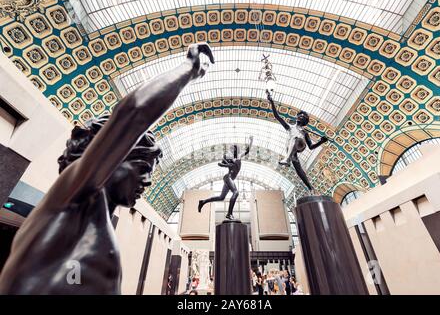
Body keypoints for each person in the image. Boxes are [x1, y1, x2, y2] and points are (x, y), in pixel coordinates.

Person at [0, 43, 215, 295]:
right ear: (114, 158)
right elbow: (133, 116)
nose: (147, 180)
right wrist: (189, 68)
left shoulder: (91, 220)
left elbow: (74, 282)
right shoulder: (74, 200)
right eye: (143, 167)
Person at [266, 90, 328, 194]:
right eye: (300, 115)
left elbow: (311, 147)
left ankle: (287, 159)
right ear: (297, 118)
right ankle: (310, 188)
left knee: (296, 139)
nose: (301, 117)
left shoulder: (305, 132)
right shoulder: (289, 127)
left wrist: (321, 141)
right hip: (291, 149)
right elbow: (277, 116)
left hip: (300, 145)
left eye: (303, 117)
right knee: (300, 171)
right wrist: (271, 102)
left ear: (305, 121)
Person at [198, 137, 253, 220]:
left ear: (236, 150)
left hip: (229, 179)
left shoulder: (238, 156)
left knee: (221, 197)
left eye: (233, 148)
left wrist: (251, 141)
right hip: (228, 178)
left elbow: (247, 151)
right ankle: (229, 214)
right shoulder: (230, 158)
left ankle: (203, 201)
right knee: (236, 192)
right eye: (230, 149)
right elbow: (223, 164)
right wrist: (224, 163)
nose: (231, 150)